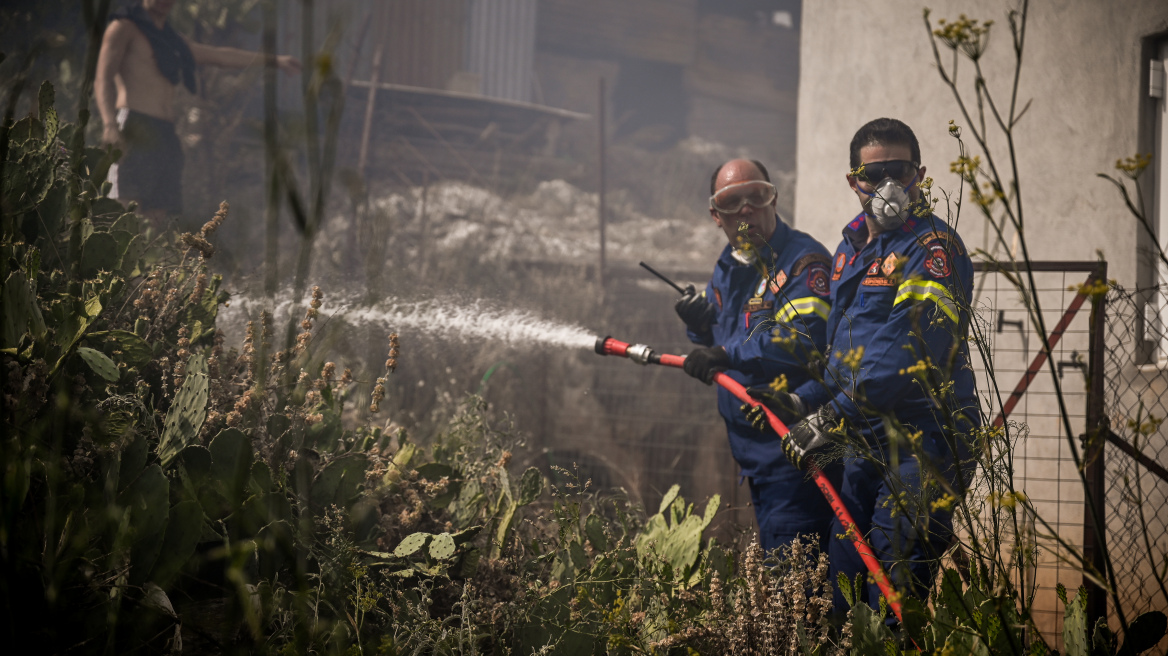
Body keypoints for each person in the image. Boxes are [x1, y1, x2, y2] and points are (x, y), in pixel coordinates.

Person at [756, 118, 980, 615]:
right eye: (871, 174)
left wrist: (830, 418)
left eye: (897, 171)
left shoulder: (933, 249)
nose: (885, 187)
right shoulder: (849, 249)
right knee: (847, 585)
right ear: (852, 180)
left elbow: (908, 354)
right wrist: (804, 401)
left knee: (893, 592)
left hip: (924, 445)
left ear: (919, 174)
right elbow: (848, 352)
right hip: (865, 440)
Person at [676, 158, 836, 552]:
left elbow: (801, 338)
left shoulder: (804, 261)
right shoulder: (729, 266)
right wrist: (699, 326)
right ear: (716, 215)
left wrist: (725, 352)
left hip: (795, 450)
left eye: (757, 196)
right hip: (753, 457)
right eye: (732, 201)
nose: (746, 209)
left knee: (792, 582)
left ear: (774, 199)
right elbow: (725, 333)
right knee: (786, 579)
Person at [96, 0, 300, 225]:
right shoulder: (123, 28)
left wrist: (275, 61)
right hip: (135, 127)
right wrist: (109, 126)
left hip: (165, 133)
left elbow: (219, 56)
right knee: (125, 214)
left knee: (155, 219)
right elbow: (102, 78)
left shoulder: (171, 39)